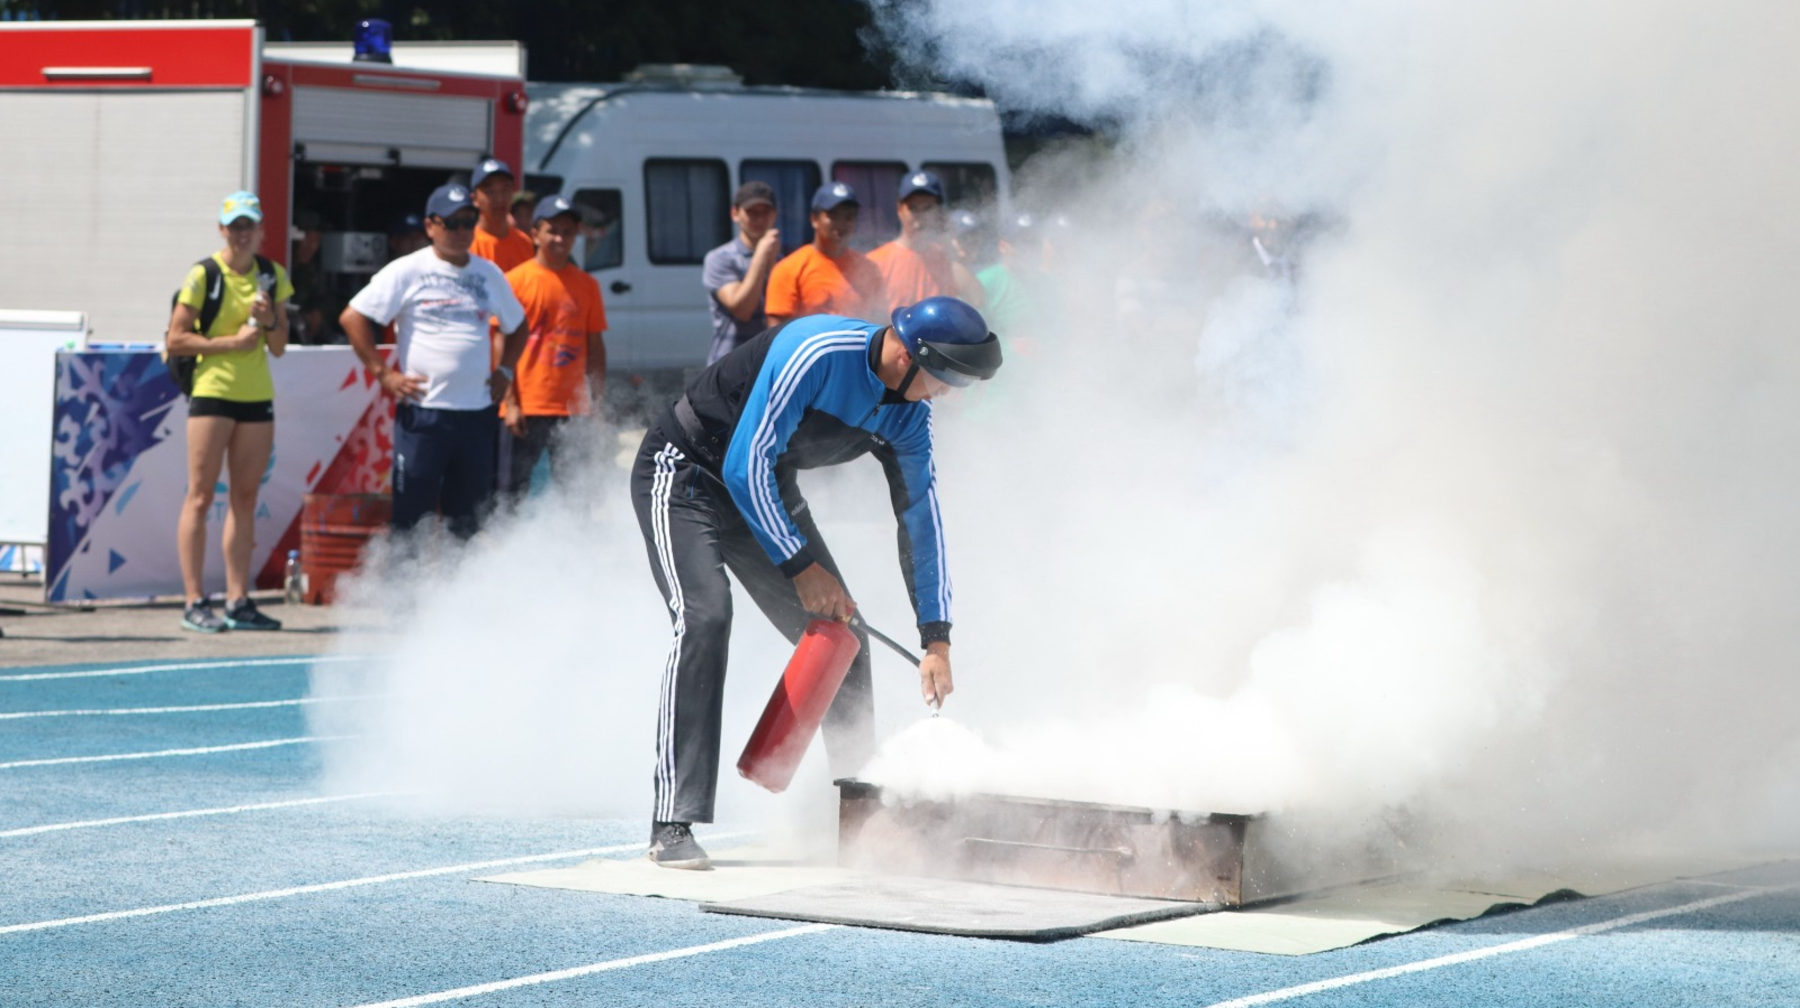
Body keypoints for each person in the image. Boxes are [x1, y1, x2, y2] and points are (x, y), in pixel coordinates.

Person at [630, 296, 1003, 869]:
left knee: (846, 641)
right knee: (705, 618)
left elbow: (921, 521)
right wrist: (800, 566)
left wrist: (937, 639)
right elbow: (742, 464)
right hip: (686, 475)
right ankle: (672, 822)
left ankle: (854, 819)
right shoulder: (817, 351)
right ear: (906, 353)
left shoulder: (909, 417)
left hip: (765, 489)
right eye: (945, 377)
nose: (948, 393)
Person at [339, 183, 529, 539]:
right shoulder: (407, 270)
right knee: (411, 517)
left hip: (476, 414)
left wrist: (505, 370)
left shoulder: (488, 273)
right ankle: (404, 594)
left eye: (467, 222)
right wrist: (383, 374)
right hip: (424, 413)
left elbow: (518, 325)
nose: (460, 231)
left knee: (469, 521)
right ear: (430, 226)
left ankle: (459, 594)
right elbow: (353, 317)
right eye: (451, 222)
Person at [166, 191, 292, 634]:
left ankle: (238, 599)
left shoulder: (272, 275)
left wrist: (269, 319)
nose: (242, 233)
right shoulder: (204, 274)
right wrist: (228, 344)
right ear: (223, 229)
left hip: (256, 395)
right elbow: (176, 339)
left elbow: (278, 347)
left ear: (261, 230)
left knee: (245, 498)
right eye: (235, 225)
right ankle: (194, 599)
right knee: (199, 496)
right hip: (212, 393)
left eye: (249, 225)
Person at [500, 194, 608, 499]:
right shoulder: (514, 281)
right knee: (511, 495)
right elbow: (499, 344)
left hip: (573, 407)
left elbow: (595, 347)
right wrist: (510, 402)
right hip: (527, 403)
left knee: (574, 494)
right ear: (535, 233)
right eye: (553, 230)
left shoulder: (588, 285)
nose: (560, 238)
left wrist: (597, 403)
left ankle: (568, 545)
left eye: (568, 231)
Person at [763, 182, 885, 326]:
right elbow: (776, 333)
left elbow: (879, 321)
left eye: (849, 217)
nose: (841, 223)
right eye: (833, 216)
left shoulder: (867, 269)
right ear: (814, 219)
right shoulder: (788, 269)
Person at [866, 171, 983, 315]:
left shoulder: (945, 258)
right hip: (895, 336)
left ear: (938, 211)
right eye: (913, 208)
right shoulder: (875, 262)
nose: (920, 216)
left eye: (927, 208)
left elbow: (978, 301)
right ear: (899, 209)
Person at [702, 181, 782, 364]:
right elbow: (742, 309)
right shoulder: (720, 258)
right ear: (735, 213)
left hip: (767, 365)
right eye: (752, 212)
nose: (759, 219)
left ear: (775, 215)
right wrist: (761, 257)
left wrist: (772, 265)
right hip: (728, 367)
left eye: (765, 212)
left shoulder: (783, 261)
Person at [468, 158, 535, 274]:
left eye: (505, 189)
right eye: (490, 191)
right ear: (475, 199)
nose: (499, 199)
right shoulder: (467, 244)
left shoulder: (525, 243)